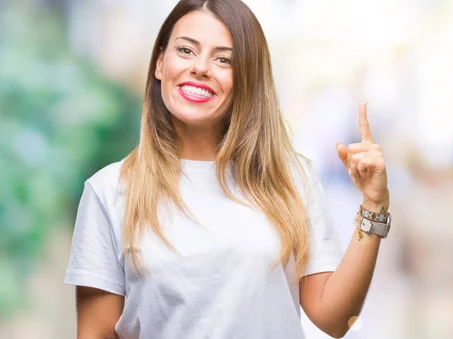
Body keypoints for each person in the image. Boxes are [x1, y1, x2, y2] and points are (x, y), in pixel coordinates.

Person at [64, 0, 391, 338]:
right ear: (160, 63)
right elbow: (96, 333)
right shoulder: (108, 190)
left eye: (223, 59)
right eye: (186, 50)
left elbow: (334, 320)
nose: (201, 68)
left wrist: (374, 206)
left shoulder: (292, 180)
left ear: (246, 79)